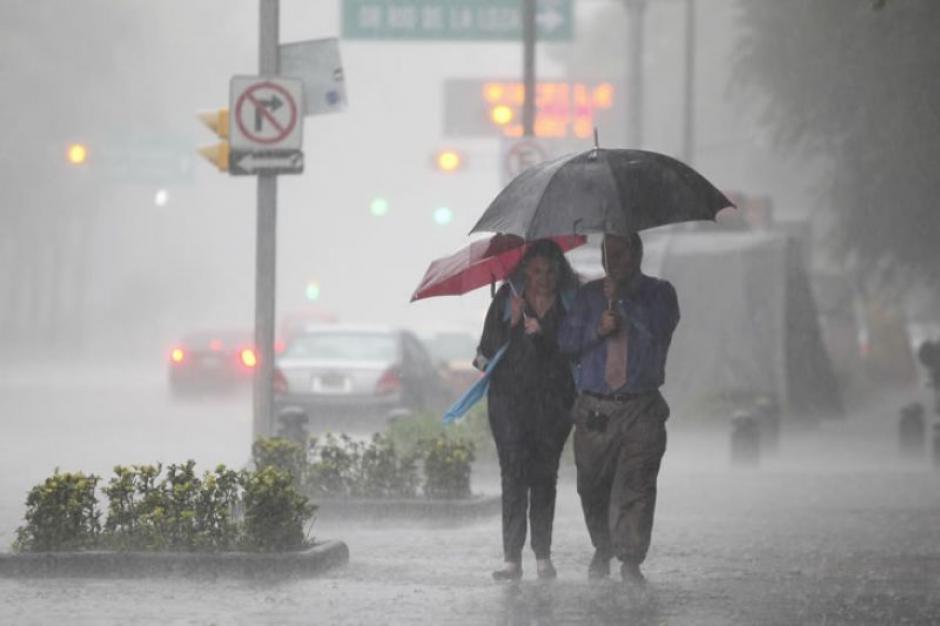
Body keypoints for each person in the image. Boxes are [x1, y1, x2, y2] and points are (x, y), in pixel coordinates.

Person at [558, 232, 680, 585]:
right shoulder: (587, 296)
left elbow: (660, 331)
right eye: (607, 255)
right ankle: (603, 546)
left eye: (621, 254)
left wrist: (624, 304)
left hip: (640, 406)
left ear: (637, 255)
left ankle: (630, 558)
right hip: (595, 407)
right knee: (592, 485)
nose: (614, 262)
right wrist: (598, 329)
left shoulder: (660, 293)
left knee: (637, 485)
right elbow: (567, 342)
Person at [475, 239, 579, 581]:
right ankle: (511, 558)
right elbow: (483, 356)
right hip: (509, 404)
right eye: (536, 271)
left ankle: (543, 556)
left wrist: (545, 332)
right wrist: (512, 323)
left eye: (550, 271)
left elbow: (579, 348)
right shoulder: (507, 300)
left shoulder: (570, 304)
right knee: (514, 474)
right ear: (525, 272)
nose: (544, 278)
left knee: (544, 477)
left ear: (559, 272)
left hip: (553, 405)